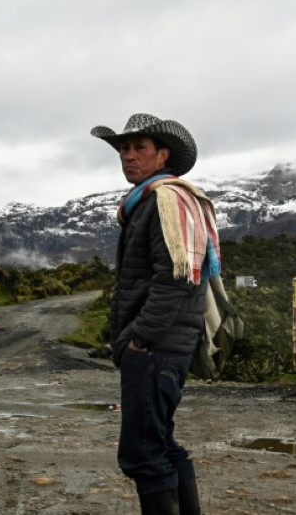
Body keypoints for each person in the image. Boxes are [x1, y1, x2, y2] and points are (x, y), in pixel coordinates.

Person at [91, 113, 219, 515]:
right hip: (164, 344)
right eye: (124, 149)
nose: (128, 156)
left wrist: (139, 338)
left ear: (162, 155)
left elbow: (177, 277)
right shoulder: (150, 202)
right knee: (161, 443)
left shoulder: (165, 200)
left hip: (156, 347)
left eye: (138, 148)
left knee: (143, 452)